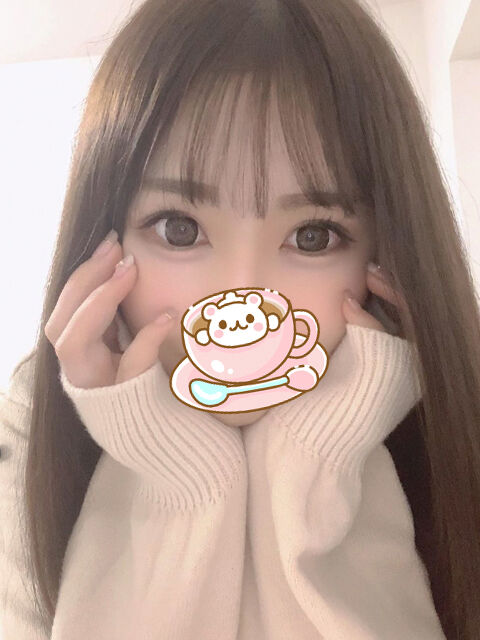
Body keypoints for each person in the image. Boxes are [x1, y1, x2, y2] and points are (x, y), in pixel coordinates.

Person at [1, 0, 479, 637]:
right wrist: (172, 466)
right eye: (179, 228)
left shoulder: (454, 428)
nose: (244, 295)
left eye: (312, 236)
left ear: (387, 254)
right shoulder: (29, 429)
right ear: (103, 242)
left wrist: (321, 451)